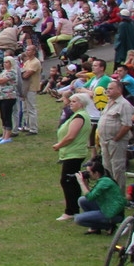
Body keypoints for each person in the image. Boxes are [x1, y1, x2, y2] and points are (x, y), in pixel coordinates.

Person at [52, 92, 92, 220]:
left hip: (74, 152)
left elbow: (71, 136)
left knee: (67, 180)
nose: (70, 103)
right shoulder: (76, 115)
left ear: (81, 103)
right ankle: (73, 208)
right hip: (71, 152)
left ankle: (71, 210)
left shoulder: (80, 116)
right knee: (71, 180)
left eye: (74, 101)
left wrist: (59, 145)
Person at [96, 79, 134, 185]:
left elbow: (127, 124)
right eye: (107, 88)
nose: (107, 91)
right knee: (107, 167)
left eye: (111, 88)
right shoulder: (109, 102)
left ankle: (119, 194)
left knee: (117, 169)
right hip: (104, 141)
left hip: (116, 142)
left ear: (119, 90)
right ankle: (111, 192)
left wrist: (116, 139)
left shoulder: (124, 104)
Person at [73, 159, 125, 234]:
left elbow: (90, 197)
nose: (87, 174)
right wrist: (85, 183)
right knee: (82, 200)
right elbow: (90, 196)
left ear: (96, 173)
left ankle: (108, 226)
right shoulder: (103, 180)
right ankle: (95, 228)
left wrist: (81, 183)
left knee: (78, 219)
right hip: (106, 206)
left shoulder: (104, 182)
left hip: (112, 213)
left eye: (88, 172)